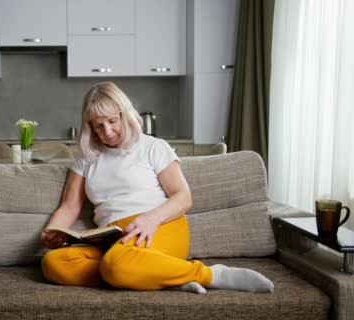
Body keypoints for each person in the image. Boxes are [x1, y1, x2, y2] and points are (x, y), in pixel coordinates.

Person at [40, 82, 274, 293]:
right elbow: (69, 207)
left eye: (112, 121)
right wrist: (53, 231)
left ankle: (210, 274)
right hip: (114, 241)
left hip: (160, 226)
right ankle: (159, 277)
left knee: (117, 265)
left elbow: (183, 198)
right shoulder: (86, 159)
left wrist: (151, 219)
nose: (107, 132)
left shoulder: (153, 147)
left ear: (125, 114)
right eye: (98, 126)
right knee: (54, 263)